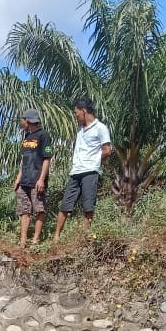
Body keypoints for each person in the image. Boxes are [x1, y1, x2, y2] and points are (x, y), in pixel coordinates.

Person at [53, 99, 112, 240]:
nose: (75, 116)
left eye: (76, 113)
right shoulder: (80, 129)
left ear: (84, 111)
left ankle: (84, 238)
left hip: (90, 172)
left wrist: (95, 162)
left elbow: (107, 150)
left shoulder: (101, 128)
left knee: (88, 206)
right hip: (75, 172)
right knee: (65, 204)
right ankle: (56, 237)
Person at [13, 108, 53, 245]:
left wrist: (42, 179)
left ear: (28, 120)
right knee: (24, 211)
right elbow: (24, 161)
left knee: (39, 210)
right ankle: (23, 240)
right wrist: (18, 179)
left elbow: (47, 159)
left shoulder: (44, 135)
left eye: (22, 120)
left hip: (37, 181)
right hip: (24, 181)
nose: (21, 122)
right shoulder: (26, 137)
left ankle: (35, 240)